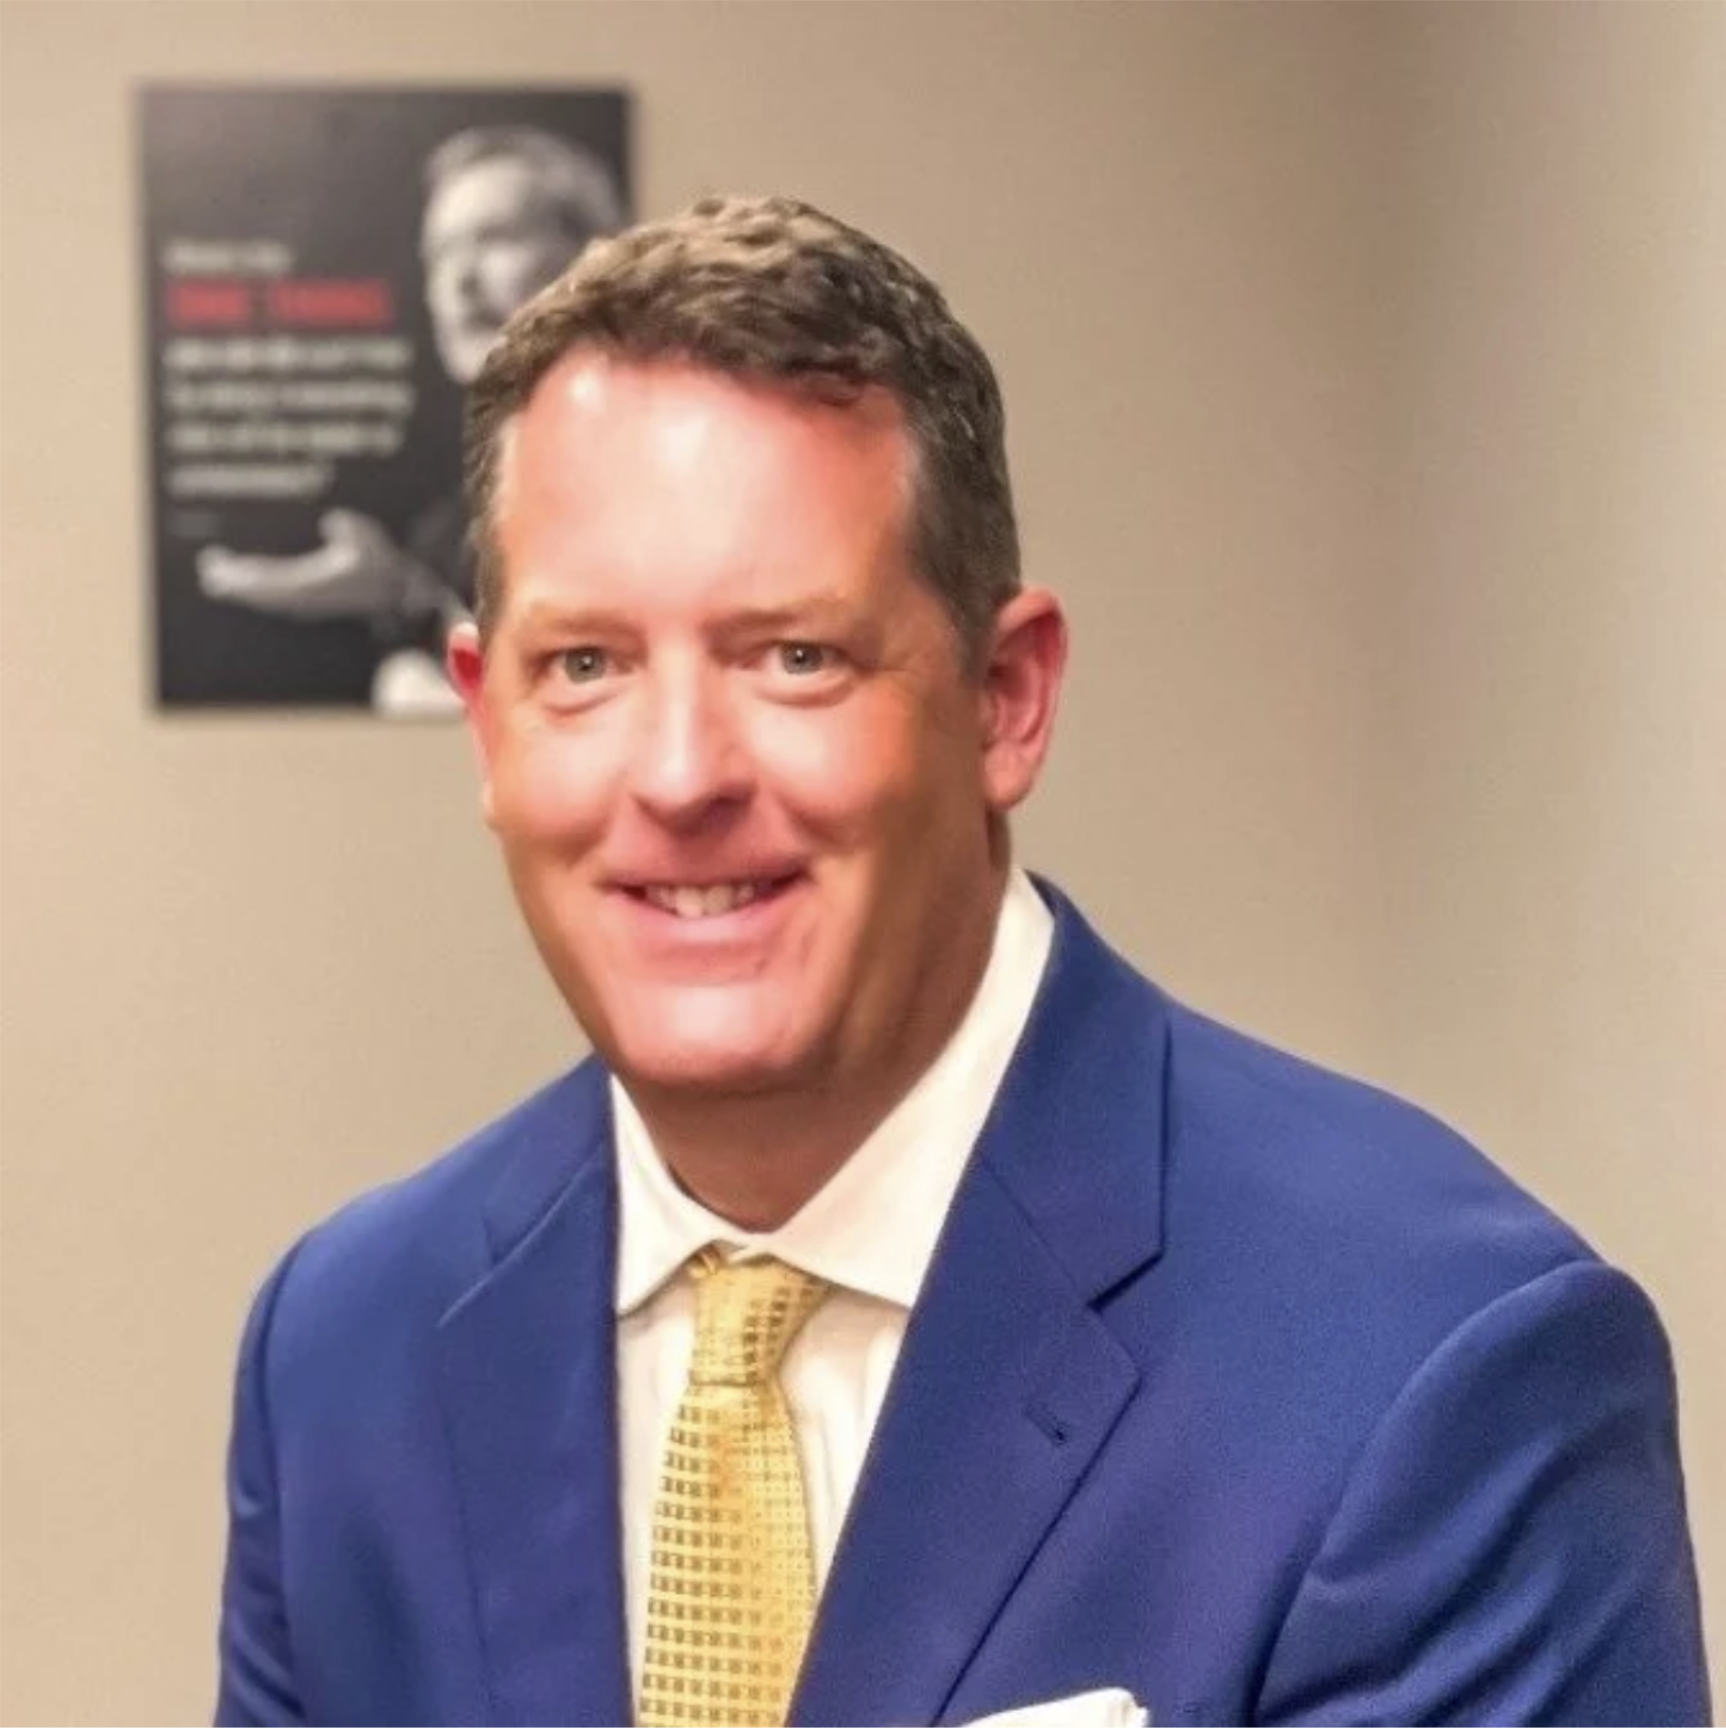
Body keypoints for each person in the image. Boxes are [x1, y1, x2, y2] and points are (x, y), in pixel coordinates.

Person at [214, 194, 1710, 1726]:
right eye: (583, 666)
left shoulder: (1430, 1365)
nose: (676, 775)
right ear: (487, 721)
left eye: (792, 655)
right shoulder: (340, 1356)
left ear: (1003, 697)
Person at [196, 124, 624, 716]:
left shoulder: (661, 473)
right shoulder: (451, 521)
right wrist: (402, 602)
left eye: (494, 239)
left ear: (594, 257)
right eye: (441, 254)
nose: (460, 281)